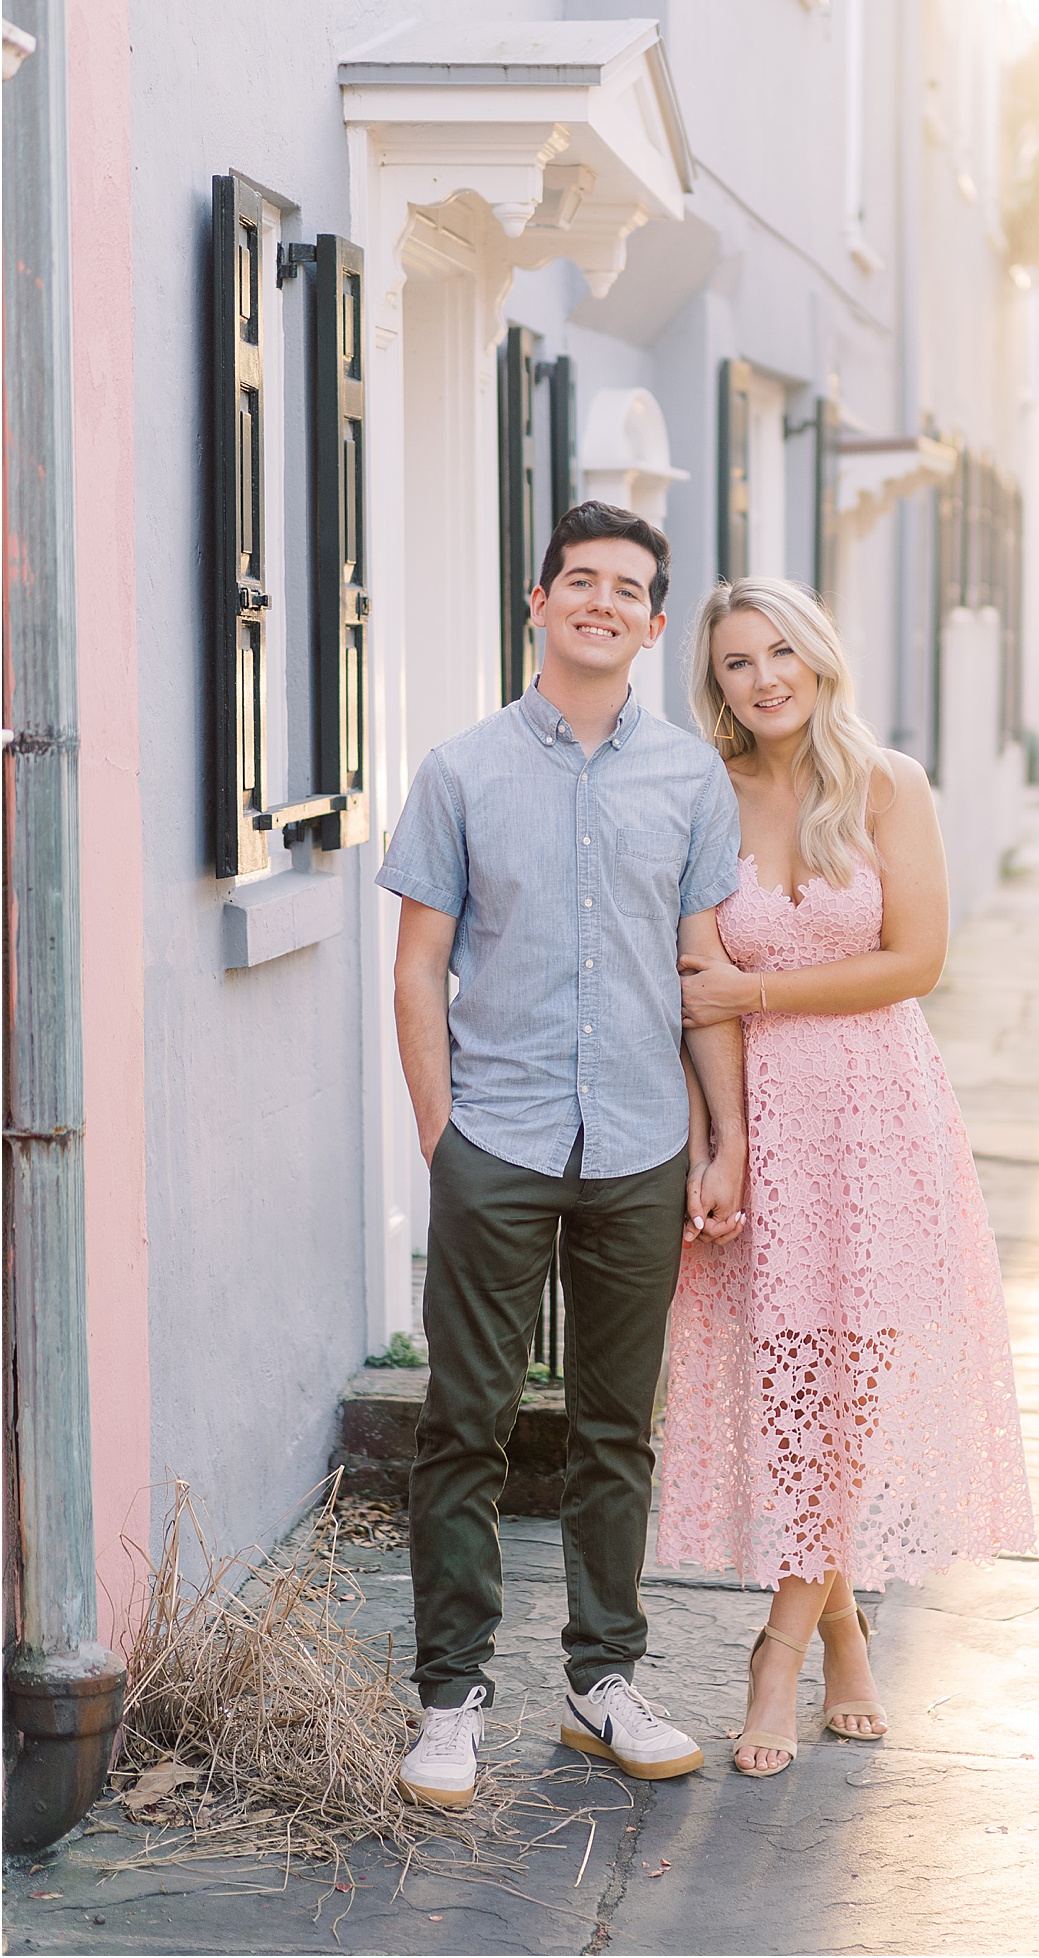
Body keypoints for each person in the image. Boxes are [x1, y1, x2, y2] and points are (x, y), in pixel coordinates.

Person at [375, 503, 748, 1809]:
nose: (599, 600)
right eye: (576, 579)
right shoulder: (462, 770)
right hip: (500, 1137)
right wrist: (444, 1138)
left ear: (653, 625)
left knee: (612, 1428)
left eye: (626, 587)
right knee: (462, 1424)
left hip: (644, 1144)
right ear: (538, 603)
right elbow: (419, 967)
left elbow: (702, 968)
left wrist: (726, 1137)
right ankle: (450, 1695)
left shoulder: (690, 780)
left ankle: (603, 1679)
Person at [658, 576, 1035, 1777]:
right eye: (734, 662)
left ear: (818, 656)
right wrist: (725, 1142)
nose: (762, 677)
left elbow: (913, 959)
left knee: (851, 1388)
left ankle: (781, 1650)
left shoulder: (886, 783)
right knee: (786, 1388)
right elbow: (694, 982)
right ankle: (847, 1636)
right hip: (761, 1119)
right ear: (711, 683)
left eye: (779, 651)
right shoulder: (700, 796)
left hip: (879, 1119)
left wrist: (756, 991)